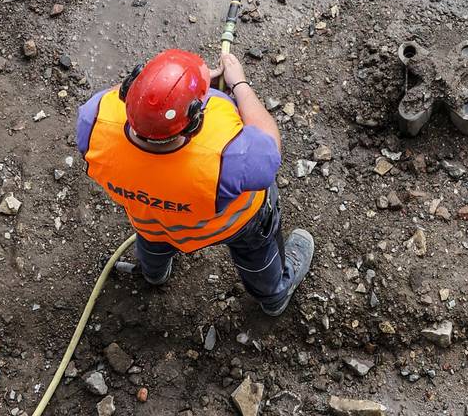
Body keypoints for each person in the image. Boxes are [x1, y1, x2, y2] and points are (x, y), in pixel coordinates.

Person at [76, 45, 314, 315]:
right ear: (192, 124)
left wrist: (181, 91)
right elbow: (269, 147)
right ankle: (274, 296)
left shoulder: (93, 121)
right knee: (256, 255)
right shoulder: (228, 157)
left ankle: (154, 274)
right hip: (234, 225)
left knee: (153, 241)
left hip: (151, 220)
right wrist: (239, 85)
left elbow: (135, 101)